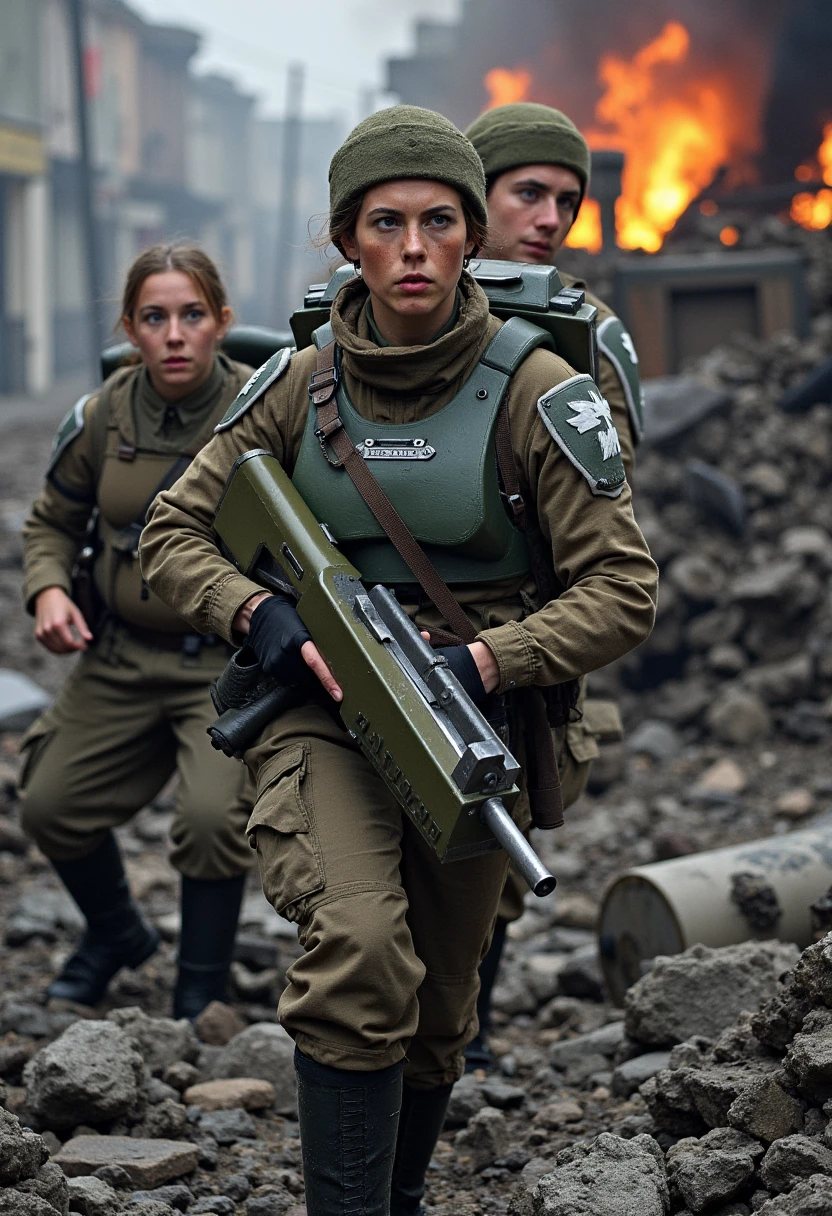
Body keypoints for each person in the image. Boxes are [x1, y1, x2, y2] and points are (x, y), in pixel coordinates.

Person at [140, 106, 657, 1215]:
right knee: (362, 948)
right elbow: (171, 534)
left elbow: (623, 589)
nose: (412, 247)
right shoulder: (295, 380)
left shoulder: (535, 391)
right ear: (347, 241)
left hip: (474, 719)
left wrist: (487, 659)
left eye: (437, 221)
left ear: (471, 236)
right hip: (318, 706)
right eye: (385, 223)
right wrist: (259, 619)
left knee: (439, 1005)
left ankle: (403, 1191)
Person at [19, 244, 256, 1019]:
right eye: (155, 318)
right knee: (49, 804)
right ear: (131, 328)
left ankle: (200, 988)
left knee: (214, 822)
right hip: (117, 657)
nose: (175, 334)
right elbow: (54, 520)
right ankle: (117, 935)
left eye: (192, 315)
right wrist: (50, 590)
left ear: (221, 322)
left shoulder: (262, 411)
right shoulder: (102, 414)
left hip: (223, 665)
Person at [464, 101, 645, 1069]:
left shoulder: (582, 335)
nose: (548, 216)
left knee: (491, 851)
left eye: (565, 201)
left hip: (519, 633)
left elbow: (606, 502)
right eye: (525, 192)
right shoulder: (382, 304)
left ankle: (466, 1031)